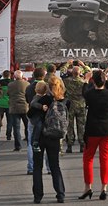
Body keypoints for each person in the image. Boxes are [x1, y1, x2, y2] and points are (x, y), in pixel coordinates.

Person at [80, 70, 108, 201]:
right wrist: (105, 78)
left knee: (88, 159)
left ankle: (88, 186)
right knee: (105, 159)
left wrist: (85, 79)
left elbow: (83, 92)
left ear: (93, 81)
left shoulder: (90, 94)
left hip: (93, 129)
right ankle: (104, 188)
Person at [32, 76, 66, 204]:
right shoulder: (63, 100)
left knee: (37, 166)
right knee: (54, 165)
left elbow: (30, 113)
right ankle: (60, 193)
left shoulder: (43, 100)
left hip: (40, 136)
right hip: (54, 135)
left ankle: (38, 195)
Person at [25, 67, 46, 175]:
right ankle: (49, 168)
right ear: (44, 75)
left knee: (31, 142)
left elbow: (27, 100)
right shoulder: (47, 87)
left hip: (32, 116)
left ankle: (31, 167)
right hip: (44, 117)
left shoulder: (28, 87)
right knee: (47, 142)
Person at [63, 66, 87, 153]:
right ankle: (82, 145)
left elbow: (62, 73)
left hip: (70, 105)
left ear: (72, 73)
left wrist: (67, 64)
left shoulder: (67, 81)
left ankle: (69, 145)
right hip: (81, 105)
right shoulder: (83, 81)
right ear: (80, 73)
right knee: (81, 126)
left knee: (69, 125)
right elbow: (89, 73)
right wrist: (83, 66)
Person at [7, 70, 29, 152]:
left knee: (16, 128)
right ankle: (29, 143)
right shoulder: (27, 84)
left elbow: (8, 93)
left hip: (14, 107)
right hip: (25, 107)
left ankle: (18, 146)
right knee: (27, 126)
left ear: (14, 77)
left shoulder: (10, 84)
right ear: (22, 76)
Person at [0, 70, 13, 141]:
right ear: (10, 75)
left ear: (3, 75)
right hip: (9, 103)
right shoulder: (12, 83)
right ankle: (8, 136)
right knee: (10, 121)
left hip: (0, 103)